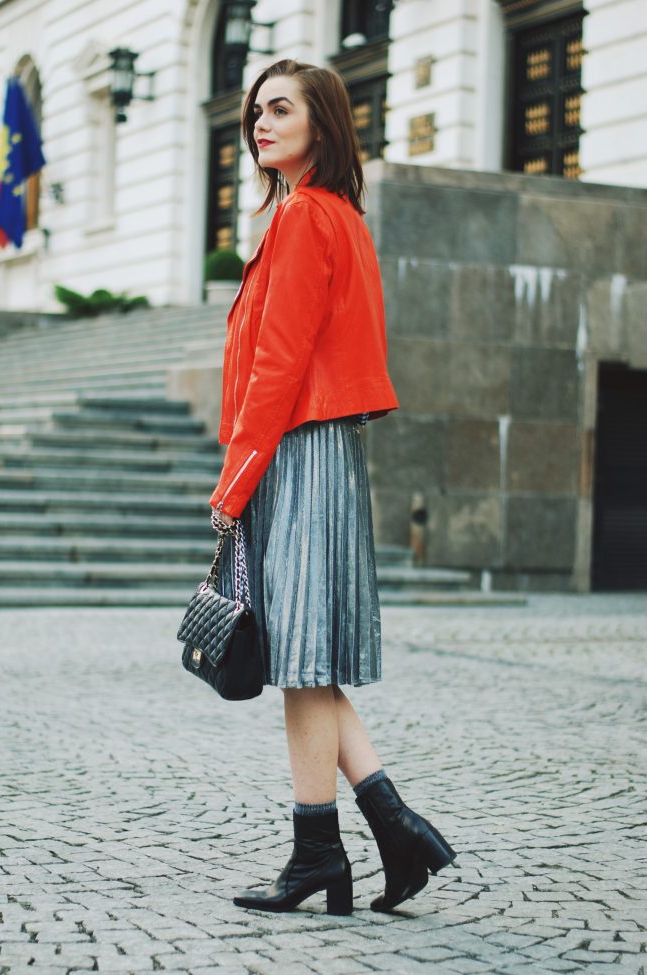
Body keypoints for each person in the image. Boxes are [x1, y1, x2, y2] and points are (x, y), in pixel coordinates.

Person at [209, 58, 456, 915]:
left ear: (324, 124)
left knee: (302, 661)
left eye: (280, 110)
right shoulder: (328, 213)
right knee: (307, 661)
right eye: (254, 112)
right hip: (314, 449)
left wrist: (236, 476)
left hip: (298, 449)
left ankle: (320, 850)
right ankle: (392, 833)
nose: (260, 124)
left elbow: (278, 363)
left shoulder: (308, 217)